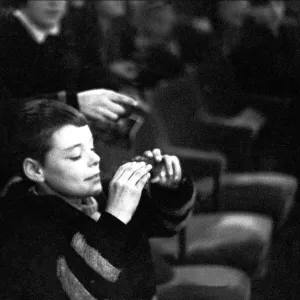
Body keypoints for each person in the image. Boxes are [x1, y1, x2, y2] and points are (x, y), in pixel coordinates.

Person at [0, 99, 195, 299]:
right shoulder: (25, 229)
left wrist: (169, 189)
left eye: (92, 149)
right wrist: (116, 217)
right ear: (35, 170)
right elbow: (81, 290)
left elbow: (169, 225)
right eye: (75, 156)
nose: (95, 159)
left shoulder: (101, 194)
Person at [0, 0, 142, 189]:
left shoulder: (55, 34)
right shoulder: (9, 37)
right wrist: (73, 103)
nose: (54, 3)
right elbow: (8, 110)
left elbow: (79, 74)